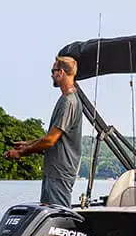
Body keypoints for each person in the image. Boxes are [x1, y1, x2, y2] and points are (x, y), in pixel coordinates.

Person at [6, 55, 85, 206]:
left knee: (58, 214)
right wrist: (27, 144)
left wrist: (20, 153)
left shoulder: (69, 102)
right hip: (55, 171)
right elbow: (54, 137)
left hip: (59, 172)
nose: (51, 75)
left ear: (60, 73)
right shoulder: (66, 99)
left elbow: (50, 140)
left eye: (53, 71)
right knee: (49, 211)